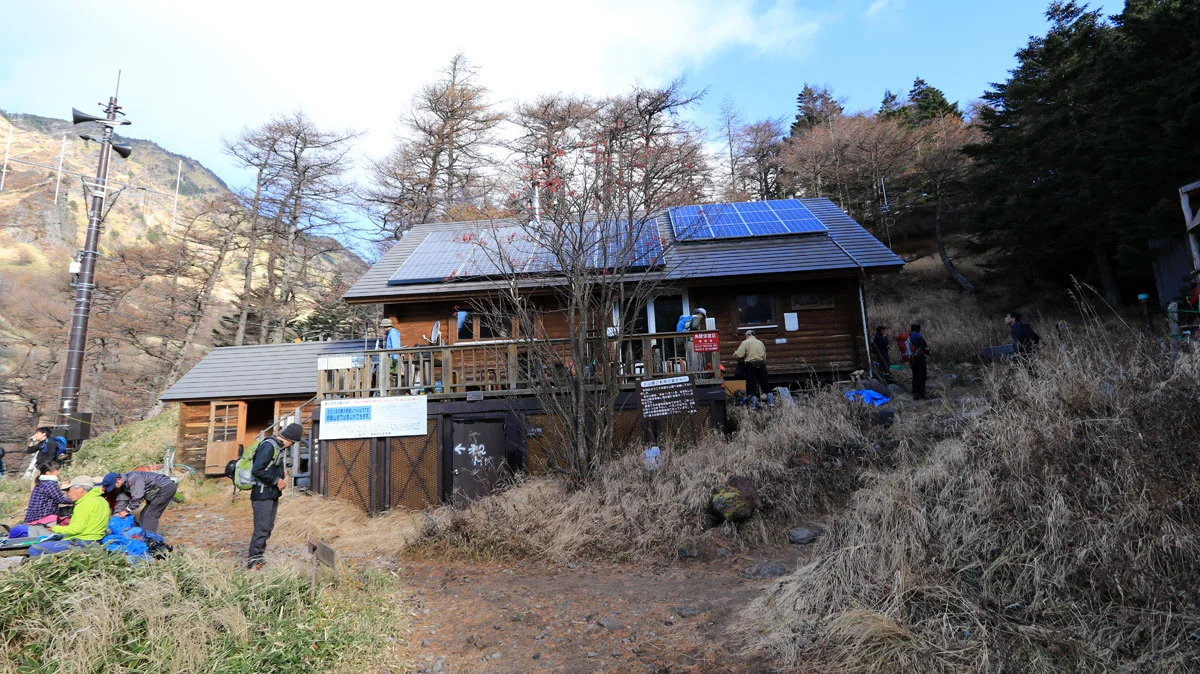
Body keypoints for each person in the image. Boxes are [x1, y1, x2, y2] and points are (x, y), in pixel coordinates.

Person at [247, 422, 302, 570]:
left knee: (267, 527)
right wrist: (276, 480)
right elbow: (257, 470)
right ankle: (253, 562)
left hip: (270, 494)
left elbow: (268, 467)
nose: (291, 446)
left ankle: (259, 557)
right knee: (261, 528)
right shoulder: (269, 446)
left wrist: (280, 473)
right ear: (290, 440)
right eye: (293, 443)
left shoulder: (277, 447)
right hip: (262, 494)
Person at [28, 475, 108, 556]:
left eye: (69, 491)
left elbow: (76, 529)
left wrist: (55, 528)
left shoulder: (84, 504)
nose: (68, 494)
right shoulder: (102, 501)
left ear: (81, 490)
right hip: (96, 540)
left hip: (82, 542)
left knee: (35, 549)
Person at [101, 469, 177, 535]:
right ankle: (142, 535)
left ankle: (150, 540)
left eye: (113, 485)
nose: (113, 488)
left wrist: (126, 511)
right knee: (143, 514)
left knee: (150, 515)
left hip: (166, 488)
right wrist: (117, 514)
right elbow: (122, 500)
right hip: (155, 491)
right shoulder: (123, 484)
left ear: (118, 480)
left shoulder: (133, 478)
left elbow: (137, 498)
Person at [22, 461, 73, 536]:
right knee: (48, 541)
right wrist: (75, 500)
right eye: (56, 470)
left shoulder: (41, 482)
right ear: (48, 472)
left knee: (34, 543)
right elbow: (60, 499)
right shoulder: (50, 484)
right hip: (45, 518)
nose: (58, 472)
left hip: (32, 518)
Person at [734, 330, 772, 406]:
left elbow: (738, 355)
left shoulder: (745, 342)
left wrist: (734, 354)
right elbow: (764, 356)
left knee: (752, 385)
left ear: (747, 335)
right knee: (765, 384)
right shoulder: (760, 343)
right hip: (761, 365)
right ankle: (771, 402)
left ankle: (753, 405)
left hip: (751, 365)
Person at [907, 323, 930, 400]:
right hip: (919, 358)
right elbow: (923, 344)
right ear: (918, 328)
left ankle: (915, 392)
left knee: (915, 375)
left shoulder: (908, 336)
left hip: (911, 358)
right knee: (922, 375)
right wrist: (927, 351)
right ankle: (921, 393)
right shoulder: (917, 335)